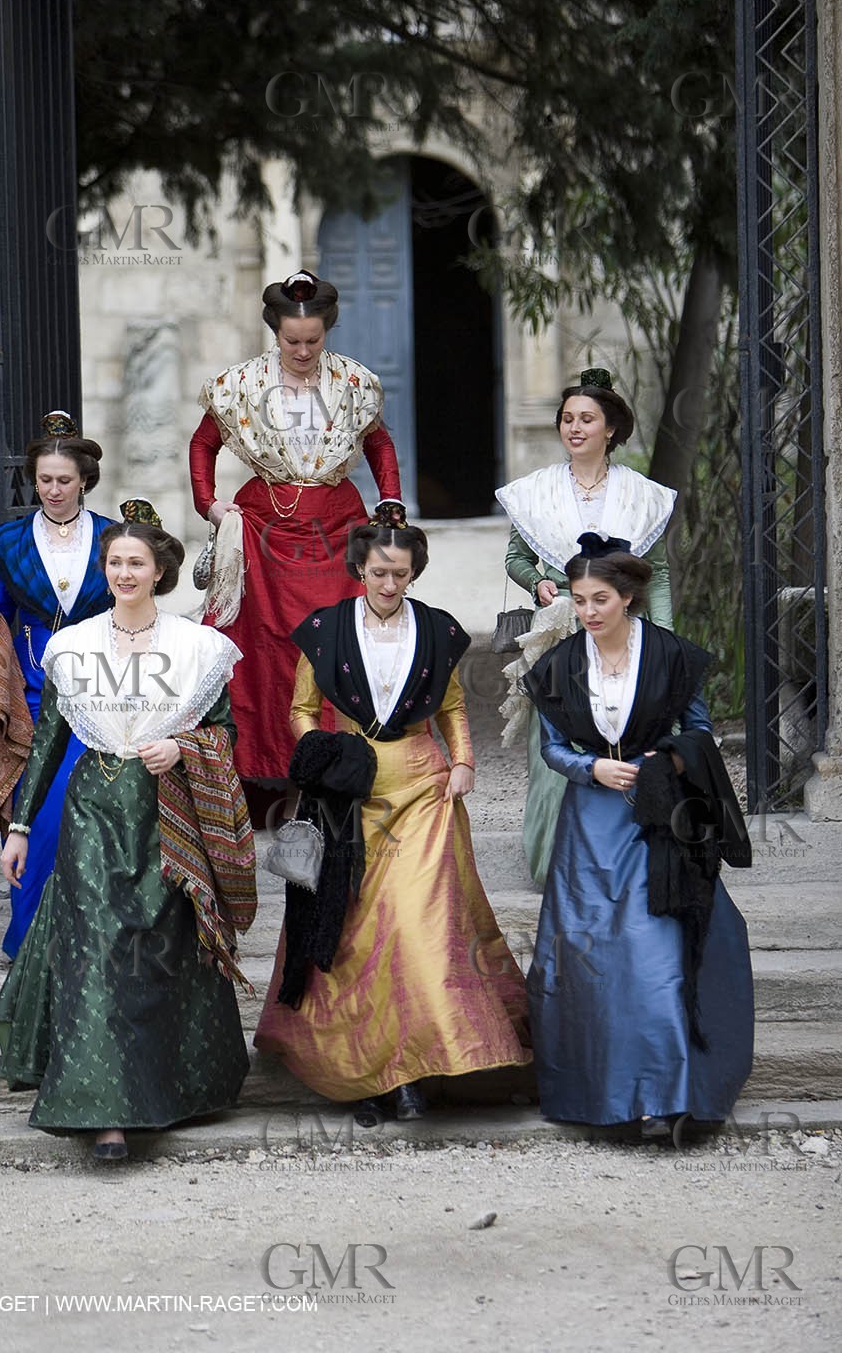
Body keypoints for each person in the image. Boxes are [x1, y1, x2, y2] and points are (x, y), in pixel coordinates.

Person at [0, 502, 256, 1160]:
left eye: (136, 562)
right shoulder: (74, 647)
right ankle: (103, 1114)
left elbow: (224, 732)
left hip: (167, 813)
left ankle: (169, 1091)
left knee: (161, 948)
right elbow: (47, 742)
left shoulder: (195, 648)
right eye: (114, 562)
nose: (124, 573)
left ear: (158, 570)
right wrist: (20, 826)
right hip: (92, 813)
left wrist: (183, 747)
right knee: (98, 951)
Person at [254, 517, 532, 1125]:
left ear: (413, 574)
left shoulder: (437, 629)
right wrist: (322, 756)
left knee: (416, 923)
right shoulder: (326, 630)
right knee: (352, 928)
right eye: (378, 572)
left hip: (422, 784)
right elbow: (302, 710)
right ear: (359, 568)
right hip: (348, 788)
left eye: (400, 574)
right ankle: (372, 1070)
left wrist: (464, 761)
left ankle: (417, 1069)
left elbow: (452, 706)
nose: (388, 583)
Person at [520, 533, 753, 1132]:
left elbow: (699, 732)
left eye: (599, 599)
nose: (588, 612)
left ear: (627, 597)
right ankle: (604, 1096)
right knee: (590, 954)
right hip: (589, 825)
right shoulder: (557, 665)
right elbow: (551, 748)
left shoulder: (673, 655)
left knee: (656, 954)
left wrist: (665, 762)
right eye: (578, 600)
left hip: (660, 819)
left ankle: (666, 1098)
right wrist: (590, 768)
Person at [189, 269, 402, 826]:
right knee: (265, 653)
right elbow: (203, 444)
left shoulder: (353, 383)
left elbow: (379, 444)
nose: (303, 351)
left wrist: (391, 504)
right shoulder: (241, 385)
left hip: (337, 530)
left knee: (338, 646)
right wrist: (210, 505)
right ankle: (266, 781)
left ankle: (341, 776)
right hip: (263, 529)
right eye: (292, 341)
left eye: (313, 340)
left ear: (327, 331)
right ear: (275, 333)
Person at [495, 369, 676, 885]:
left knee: (629, 738)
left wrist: (665, 641)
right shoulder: (536, 492)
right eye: (567, 419)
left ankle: (630, 860)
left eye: (587, 419)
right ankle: (555, 861)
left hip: (625, 633)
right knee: (557, 744)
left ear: (610, 429)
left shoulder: (642, 495)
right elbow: (516, 558)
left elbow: (659, 573)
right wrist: (537, 583)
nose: (575, 428)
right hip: (559, 633)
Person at [0, 410, 115, 957]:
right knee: (36, 816)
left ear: (84, 480)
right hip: (32, 695)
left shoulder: (112, 539)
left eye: (64, 480)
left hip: (100, 692)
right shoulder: (11, 542)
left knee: (93, 816)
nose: (53, 490)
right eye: (44, 479)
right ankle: (30, 940)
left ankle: (91, 935)